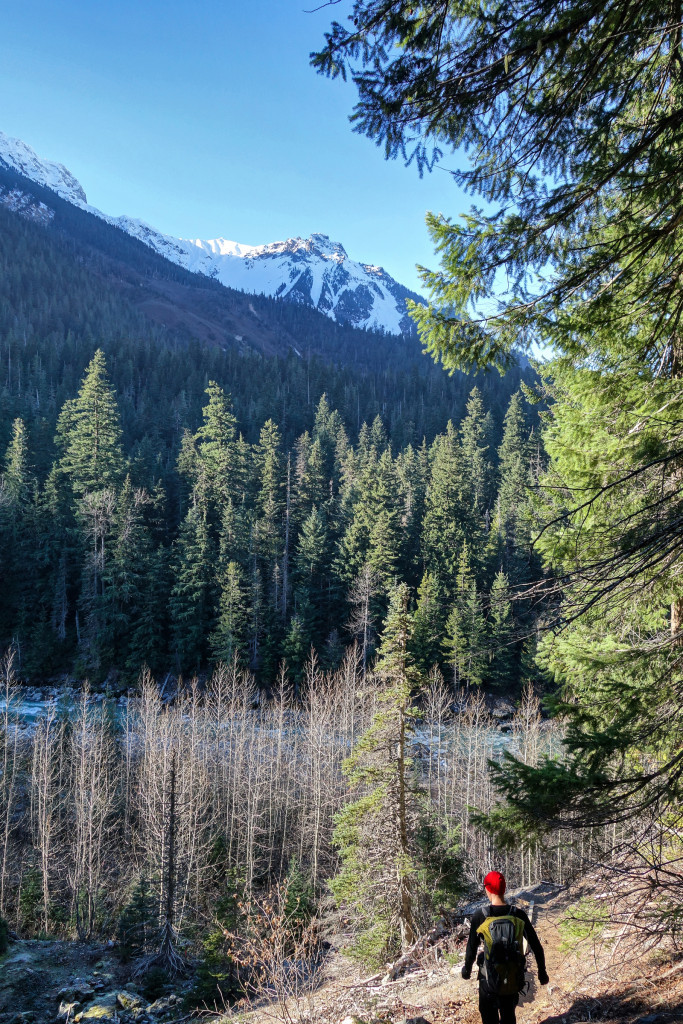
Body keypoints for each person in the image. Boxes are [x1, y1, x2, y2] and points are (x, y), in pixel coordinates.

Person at [461, 871, 548, 1024]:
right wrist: (542, 972)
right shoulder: (518, 915)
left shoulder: (480, 915)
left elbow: (471, 949)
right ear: (504, 888)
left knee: (489, 1017)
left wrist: (466, 970)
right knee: (508, 1015)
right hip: (512, 979)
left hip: (488, 981)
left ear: (487, 889)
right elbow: (536, 946)